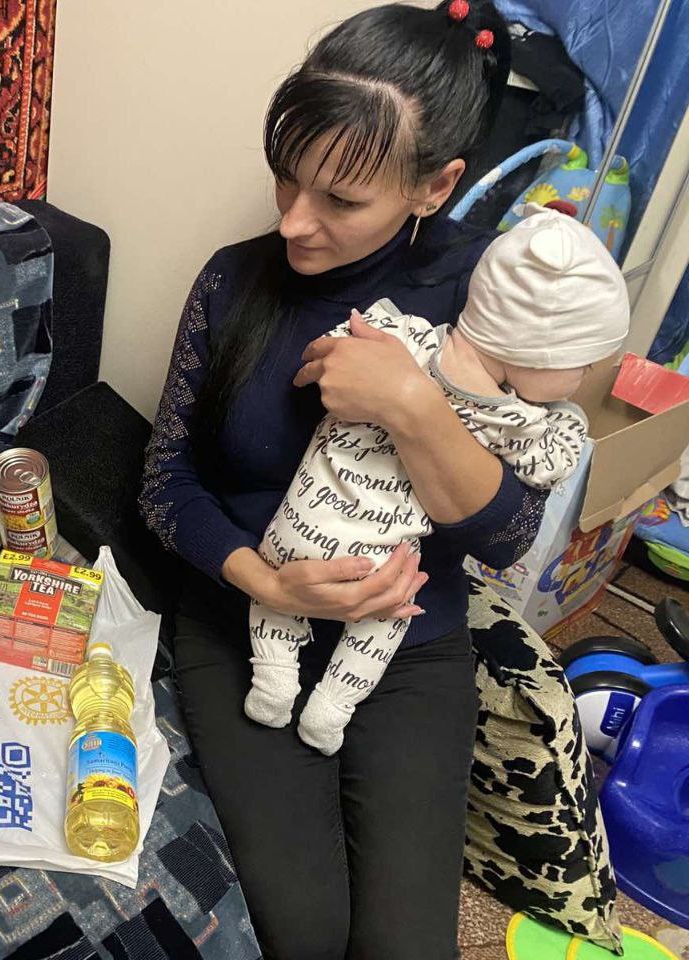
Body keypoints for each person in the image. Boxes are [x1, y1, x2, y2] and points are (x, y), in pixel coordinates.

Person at [139, 1, 546, 956]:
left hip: (408, 642)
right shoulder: (233, 281)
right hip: (243, 620)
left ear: (435, 185)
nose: (293, 221)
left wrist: (411, 402)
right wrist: (267, 582)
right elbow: (164, 481)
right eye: (287, 176)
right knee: (306, 932)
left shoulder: (481, 303)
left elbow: (507, 536)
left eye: (341, 199)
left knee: (408, 944)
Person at [245, 208, 628, 755]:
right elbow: (554, 461)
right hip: (379, 570)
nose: (585, 377)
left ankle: (273, 678)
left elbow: (333, 346)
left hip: (296, 530)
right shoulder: (515, 421)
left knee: (276, 601)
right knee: (385, 621)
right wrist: (561, 419)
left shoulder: (401, 337)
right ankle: (331, 707)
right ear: (532, 353)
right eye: (582, 363)